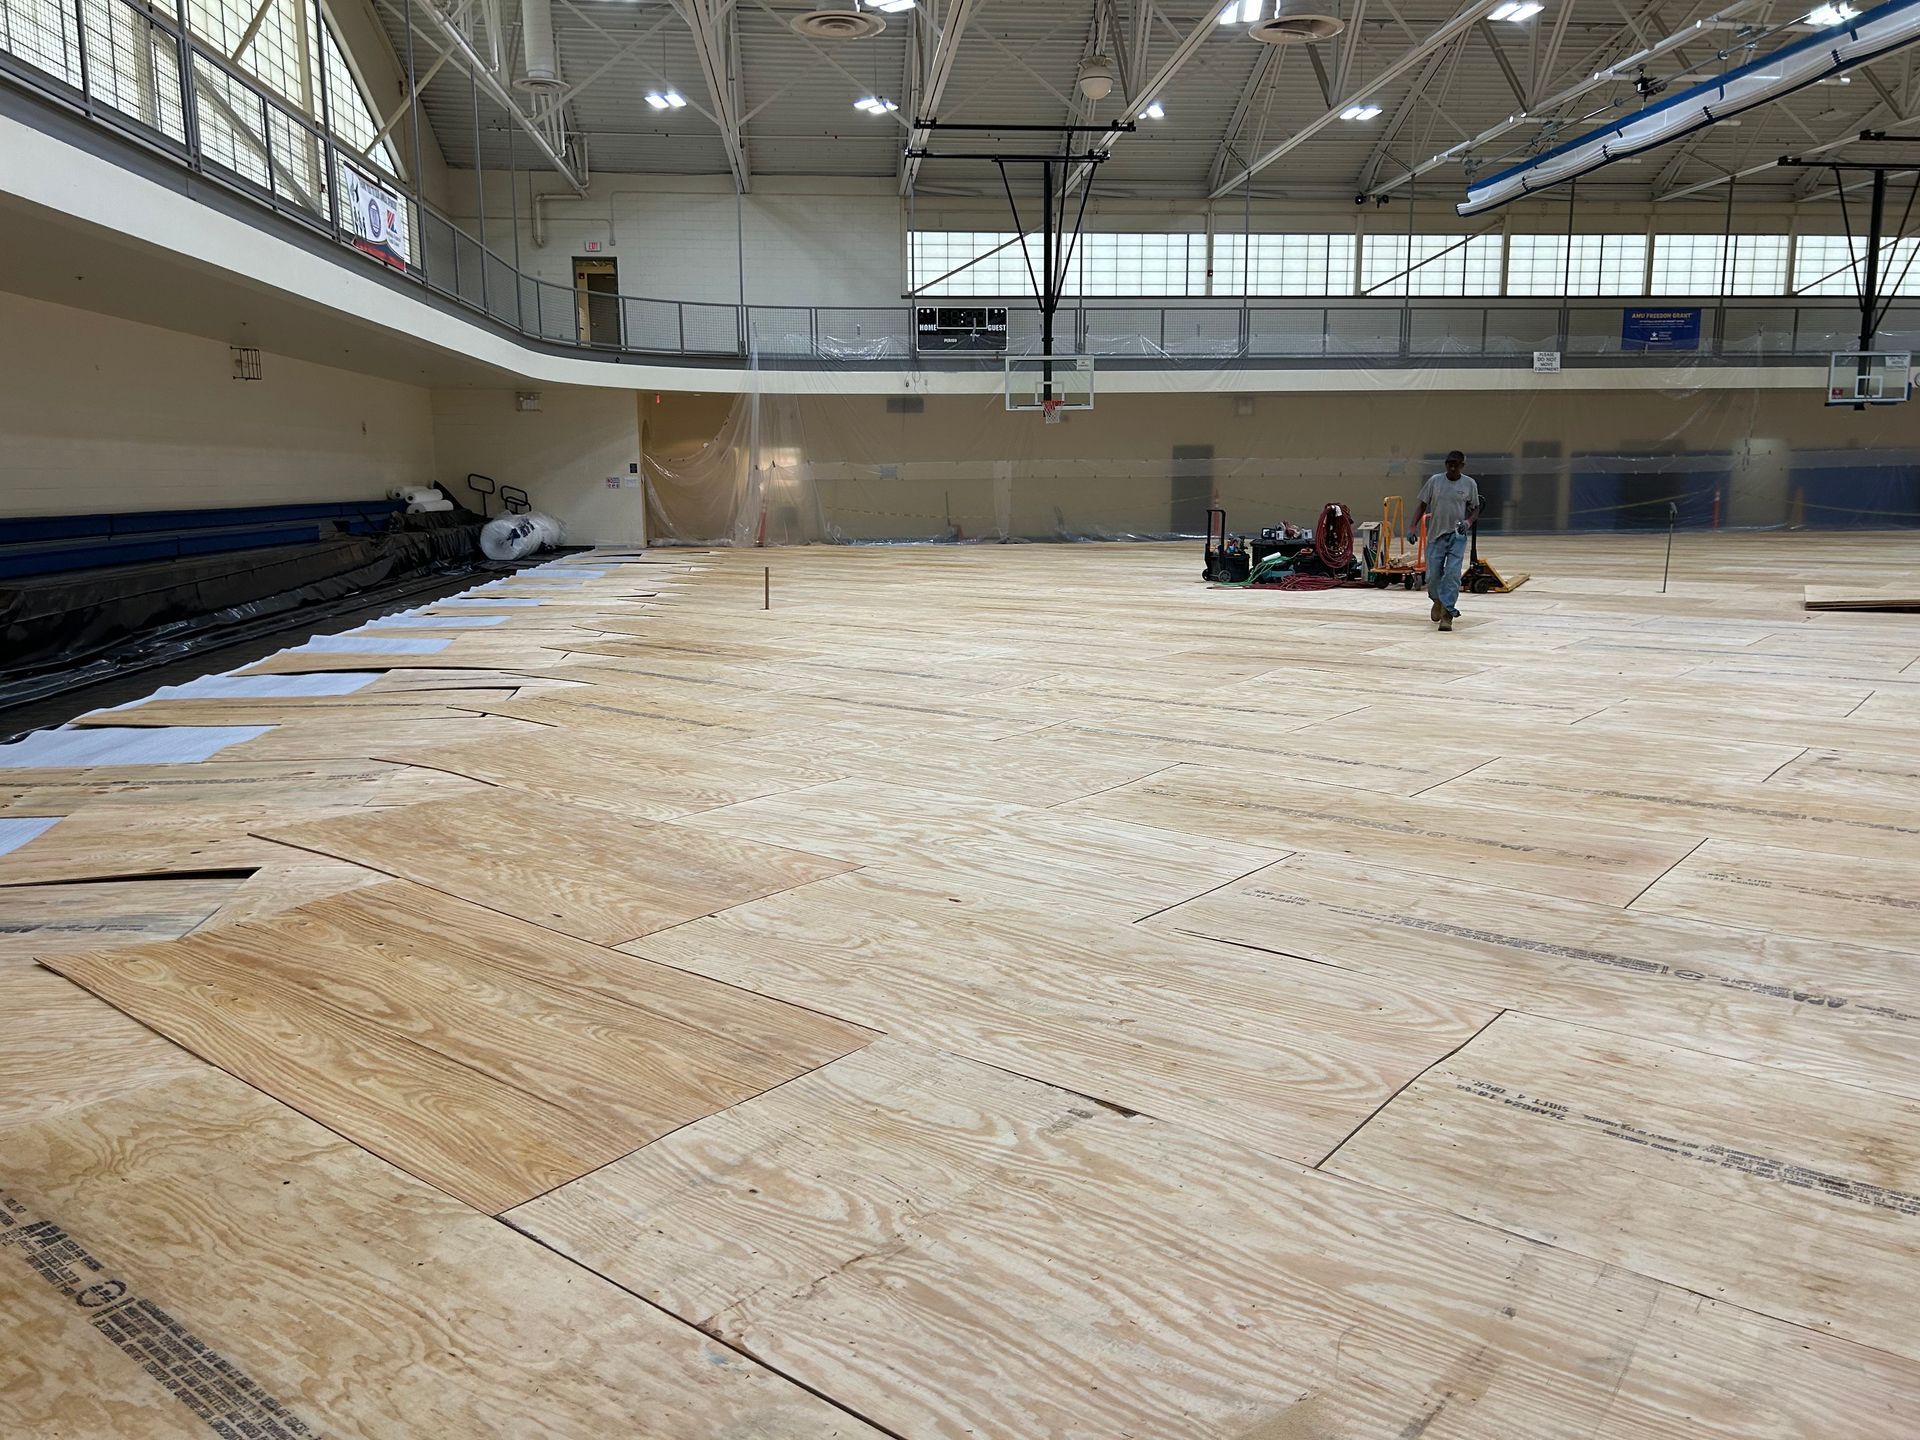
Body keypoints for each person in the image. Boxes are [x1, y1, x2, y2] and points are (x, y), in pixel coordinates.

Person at [1412, 451, 1481, 632]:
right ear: (1445, 464)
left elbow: (1475, 508)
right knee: (1433, 576)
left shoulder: (1469, 484)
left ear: (1462, 466)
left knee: (1452, 574)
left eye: (1456, 464)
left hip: (1457, 536)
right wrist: (1412, 527)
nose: (1452, 467)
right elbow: (1421, 504)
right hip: (1436, 536)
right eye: (1449, 463)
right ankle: (1437, 600)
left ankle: (1447, 614)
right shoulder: (1435, 481)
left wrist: (1468, 522)